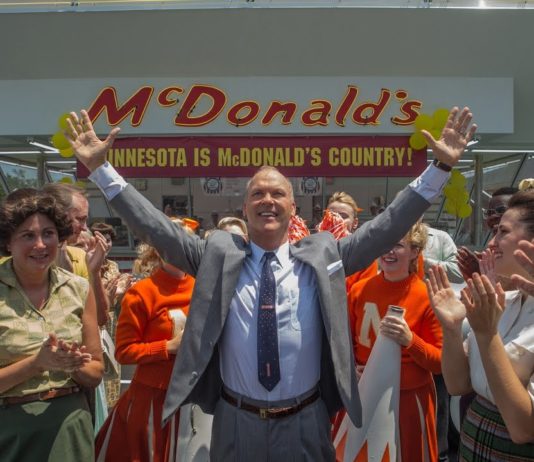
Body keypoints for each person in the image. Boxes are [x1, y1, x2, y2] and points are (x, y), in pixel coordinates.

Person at [67, 106, 476, 460]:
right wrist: (102, 170)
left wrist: (439, 169)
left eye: (277, 193)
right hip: (235, 420)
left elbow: (388, 227)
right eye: (258, 194)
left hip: (306, 419)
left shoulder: (324, 257)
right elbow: (156, 228)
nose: (267, 200)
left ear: (292, 207)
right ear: (244, 207)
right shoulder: (217, 257)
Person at [426, 189, 534, 461]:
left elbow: (523, 429)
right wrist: (451, 327)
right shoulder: (504, 302)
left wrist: (487, 334)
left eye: (503, 232)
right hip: (473, 443)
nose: (491, 243)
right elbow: (458, 384)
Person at [0, 188, 103, 460]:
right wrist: (37, 363)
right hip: (10, 430)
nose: (41, 245)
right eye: (28, 236)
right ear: (8, 242)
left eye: (48, 233)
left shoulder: (78, 288)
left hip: (70, 427)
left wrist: (73, 364)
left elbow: (96, 372)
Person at [95, 219, 209, 461]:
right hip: (152, 402)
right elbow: (124, 352)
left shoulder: (203, 288)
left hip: (195, 399)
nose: (178, 251)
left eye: (185, 244)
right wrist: (167, 347)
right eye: (169, 243)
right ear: (157, 249)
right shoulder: (142, 293)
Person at [348, 222, 442, 461]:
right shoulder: (358, 289)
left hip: (408, 400)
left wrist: (411, 341)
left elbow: (440, 362)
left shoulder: (427, 296)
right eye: (385, 243)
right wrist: (351, 370)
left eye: (398, 245)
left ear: (414, 252)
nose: (389, 251)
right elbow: (344, 344)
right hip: (365, 394)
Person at [457, 186, 519, 282]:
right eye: (489, 213)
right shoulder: (491, 254)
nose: (492, 216)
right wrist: (480, 273)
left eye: (501, 210)